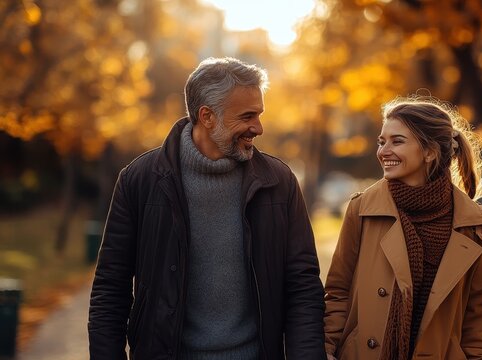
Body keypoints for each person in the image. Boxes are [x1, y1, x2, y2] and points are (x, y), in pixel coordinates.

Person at [88, 57, 326, 360]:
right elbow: (111, 288)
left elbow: (303, 287)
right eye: (247, 116)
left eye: (259, 115)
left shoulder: (279, 182)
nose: (259, 127)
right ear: (208, 116)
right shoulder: (139, 180)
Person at [324, 96, 482, 359]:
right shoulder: (361, 209)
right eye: (381, 141)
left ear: (430, 151)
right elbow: (337, 292)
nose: (384, 151)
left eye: (397, 141)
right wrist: (327, 349)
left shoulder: (478, 224)